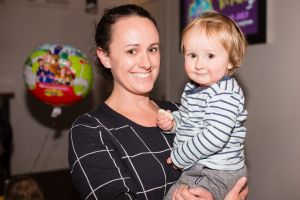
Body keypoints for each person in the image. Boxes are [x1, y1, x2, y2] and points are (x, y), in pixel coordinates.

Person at [68, 4, 248, 200]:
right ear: (105, 57)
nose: (146, 63)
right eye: (131, 51)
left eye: (152, 49)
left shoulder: (178, 111)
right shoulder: (90, 131)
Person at [156, 12, 248, 200]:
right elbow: (191, 120)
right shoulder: (192, 88)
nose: (199, 64)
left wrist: (179, 156)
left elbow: (215, 136)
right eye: (192, 55)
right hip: (199, 167)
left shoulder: (225, 93)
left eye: (210, 55)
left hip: (218, 171)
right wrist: (173, 122)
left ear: (231, 60)